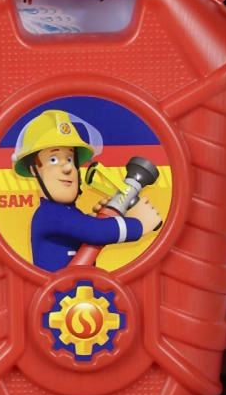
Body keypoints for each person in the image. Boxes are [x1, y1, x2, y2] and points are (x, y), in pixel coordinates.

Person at [11, 109, 161, 272]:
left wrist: (96, 218)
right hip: (63, 289)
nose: (68, 168)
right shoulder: (50, 214)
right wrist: (139, 224)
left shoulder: (69, 214)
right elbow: (96, 232)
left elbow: (88, 231)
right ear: (34, 169)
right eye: (53, 159)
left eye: (70, 159)